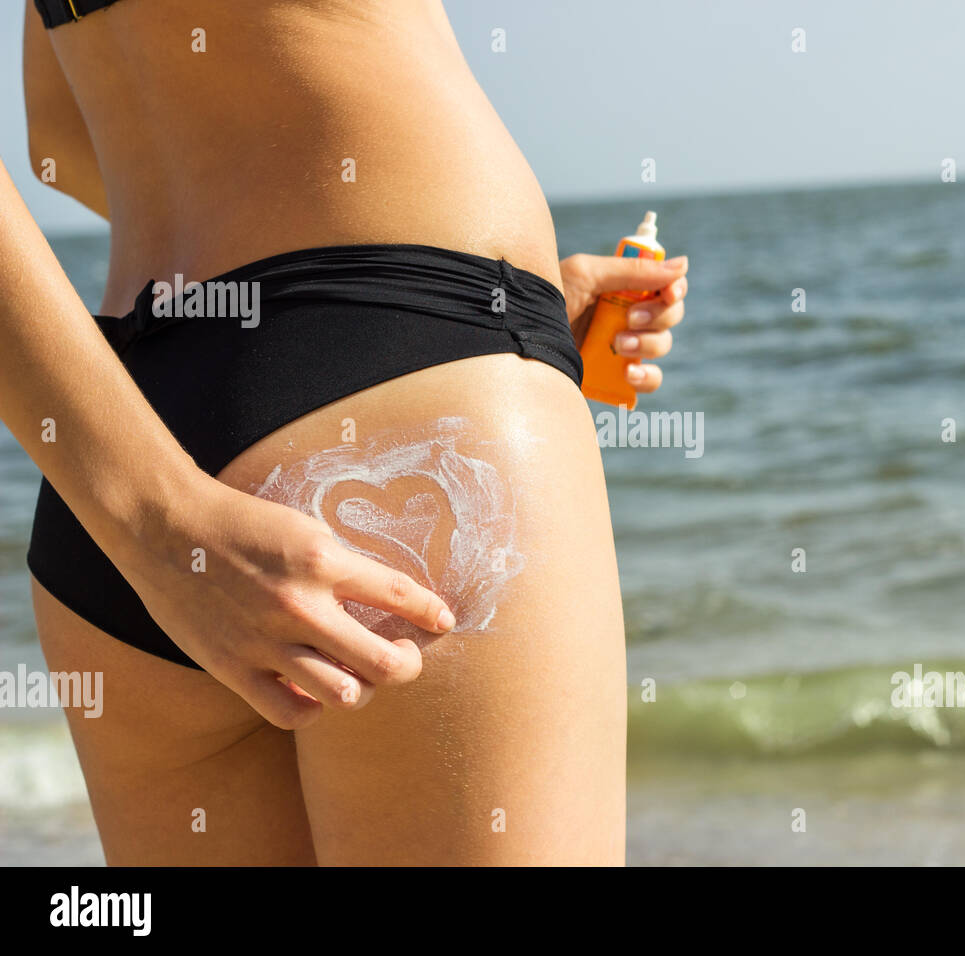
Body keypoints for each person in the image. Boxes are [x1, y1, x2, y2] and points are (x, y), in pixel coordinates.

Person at [6, 0, 688, 865]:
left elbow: (57, 144)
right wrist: (435, 306)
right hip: (404, 372)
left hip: (126, 434)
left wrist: (156, 522)